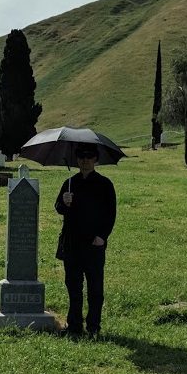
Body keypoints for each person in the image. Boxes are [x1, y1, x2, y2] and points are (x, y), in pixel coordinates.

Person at [55, 143, 116, 337]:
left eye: (89, 157)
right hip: (72, 243)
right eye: (81, 157)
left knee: (95, 289)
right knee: (73, 287)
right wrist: (64, 202)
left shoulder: (105, 184)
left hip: (94, 244)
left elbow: (110, 214)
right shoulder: (70, 183)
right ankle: (74, 326)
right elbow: (59, 208)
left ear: (96, 160)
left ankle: (93, 327)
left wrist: (102, 237)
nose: (85, 161)